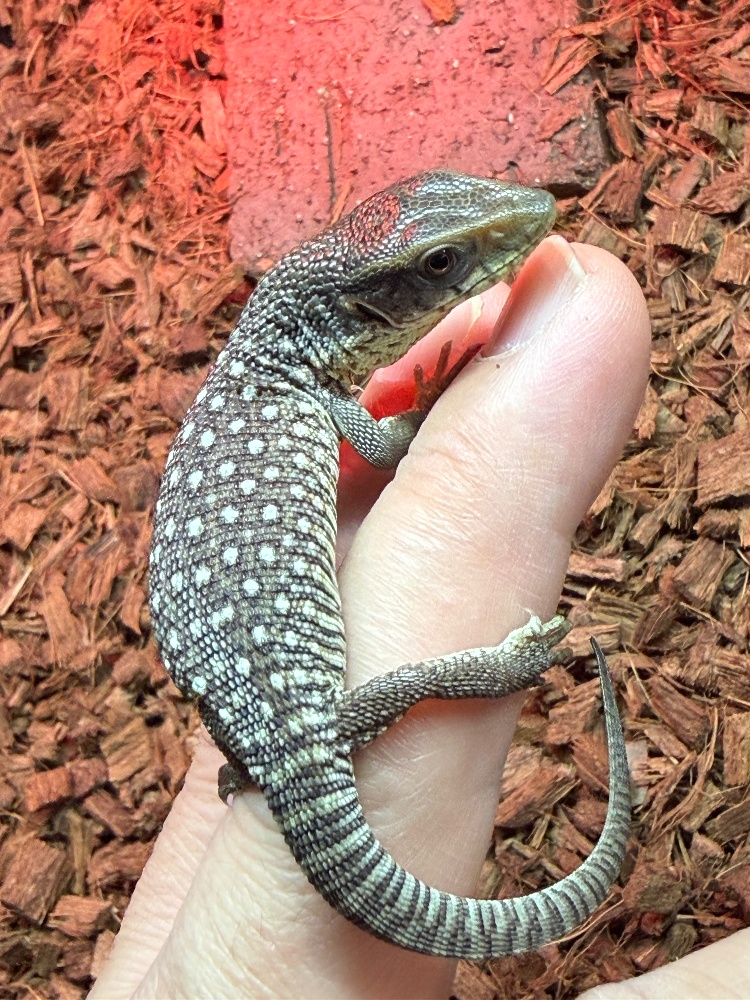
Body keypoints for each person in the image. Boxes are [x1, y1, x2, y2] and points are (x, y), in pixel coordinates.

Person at [91, 237, 746, 999]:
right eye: (442, 264)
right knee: (363, 711)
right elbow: (387, 443)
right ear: (356, 307)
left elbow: (378, 445)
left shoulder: (259, 386)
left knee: (332, 726)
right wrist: (427, 405)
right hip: (274, 722)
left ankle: (437, 692)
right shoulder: (313, 393)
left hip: (245, 712)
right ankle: (491, 671)